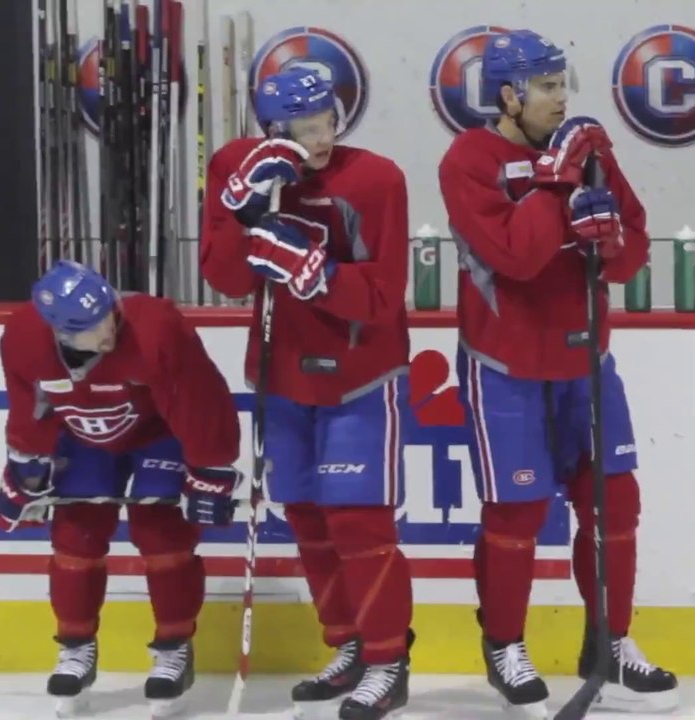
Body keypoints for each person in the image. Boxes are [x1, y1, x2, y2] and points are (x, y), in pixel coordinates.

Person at [437, 29, 679, 717]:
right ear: (508, 95)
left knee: (615, 503)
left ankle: (609, 642)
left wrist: (610, 240)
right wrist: (558, 183)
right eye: (545, 86)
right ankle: (504, 645)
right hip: (505, 367)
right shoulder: (469, 159)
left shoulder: (586, 145)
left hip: (586, 361)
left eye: (561, 83)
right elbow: (515, 256)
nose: (560, 97)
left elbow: (633, 251)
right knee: (515, 514)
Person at [200, 66, 414, 720]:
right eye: (304, 129)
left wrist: (316, 274)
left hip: (359, 375)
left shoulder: (377, 179)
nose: (321, 140)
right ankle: (346, 643)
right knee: (308, 518)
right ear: (272, 130)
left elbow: (383, 296)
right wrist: (246, 213)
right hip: (280, 375)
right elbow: (227, 277)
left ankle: (388, 659)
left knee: (359, 521)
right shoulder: (237, 165)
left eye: (329, 122)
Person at [0, 260, 242, 719]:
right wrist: (26, 473)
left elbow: (201, 398)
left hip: (159, 432)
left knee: (161, 531)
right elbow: (29, 410)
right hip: (83, 435)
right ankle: (75, 646)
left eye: (110, 314)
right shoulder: (23, 339)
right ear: (59, 332)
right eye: (92, 329)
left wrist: (210, 466)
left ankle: (173, 647)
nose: (108, 332)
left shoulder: (157, 328)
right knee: (76, 536)